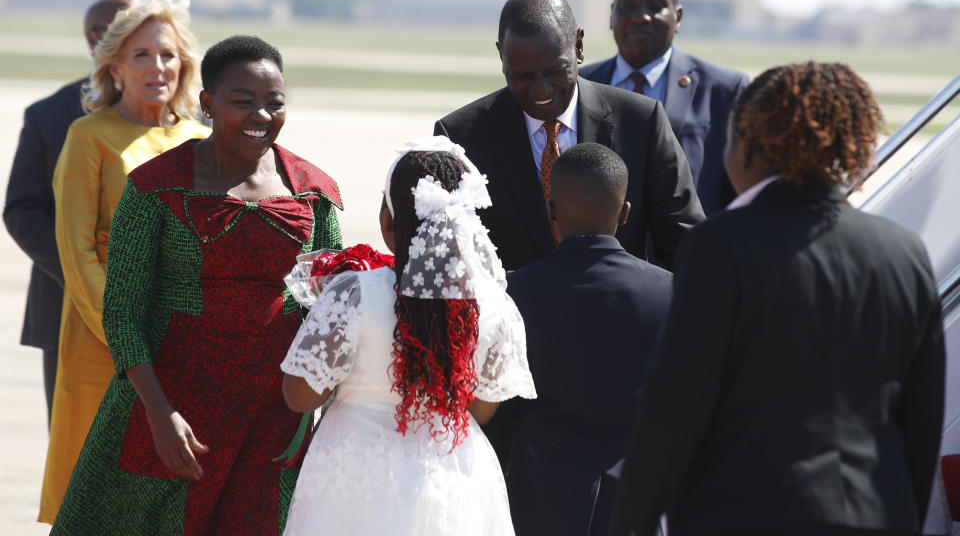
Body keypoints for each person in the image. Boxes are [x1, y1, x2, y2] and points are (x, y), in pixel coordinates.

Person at [611, 62, 945, 536]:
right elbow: (921, 419)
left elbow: (675, 407)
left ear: (746, 143)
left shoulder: (720, 245)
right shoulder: (903, 252)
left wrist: (632, 523)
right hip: (875, 515)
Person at [50, 35, 343, 535]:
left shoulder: (314, 192)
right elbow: (122, 312)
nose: (261, 116)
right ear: (207, 103)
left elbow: (331, 309)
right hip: (174, 406)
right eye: (242, 101)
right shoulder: (154, 187)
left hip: (272, 413)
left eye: (275, 103)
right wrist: (159, 415)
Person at [279, 137, 537, 536]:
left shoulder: (354, 294)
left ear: (388, 222)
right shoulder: (495, 307)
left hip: (354, 475)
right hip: (452, 476)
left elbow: (300, 395)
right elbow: (482, 410)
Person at [38, 0, 213, 523]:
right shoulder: (87, 136)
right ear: (114, 65)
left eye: (167, 55)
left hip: (184, 339)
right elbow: (76, 251)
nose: (157, 67)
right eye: (141, 55)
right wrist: (127, 336)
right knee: (96, 497)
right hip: (105, 341)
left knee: (170, 495)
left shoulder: (201, 139)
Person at [435, 0, 703, 272]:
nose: (540, 90)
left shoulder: (642, 122)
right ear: (502, 55)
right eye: (521, 75)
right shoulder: (460, 138)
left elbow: (686, 244)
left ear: (578, 46)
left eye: (554, 71)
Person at [504, 143, 672, 536]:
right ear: (625, 212)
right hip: (636, 500)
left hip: (539, 499)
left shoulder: (513, 291)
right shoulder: (673, 291)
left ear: (551, 211)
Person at [4, 0, 135, 423]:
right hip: (64, 304)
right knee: (72, 446)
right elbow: (22, 210)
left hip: (156, 311)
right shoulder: (49, 114)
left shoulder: (186, 116)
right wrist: (85, 273)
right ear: (97, 39)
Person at [580, 0, 749, 215]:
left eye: (655, 5)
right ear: (611, 15)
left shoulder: (724, 89)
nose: (641, 17)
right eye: (628, 5)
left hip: (691, 250)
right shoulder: (580, 85)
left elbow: (740, 192)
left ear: (678, 17)